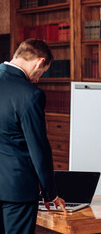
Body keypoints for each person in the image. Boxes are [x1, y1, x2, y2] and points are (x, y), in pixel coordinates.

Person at [0, 39, 67, 234]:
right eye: (41, 72)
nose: (37, 79)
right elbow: (38, 148)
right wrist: (50, 193)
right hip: (17, 190)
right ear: (39, 62)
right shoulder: (30, 95)